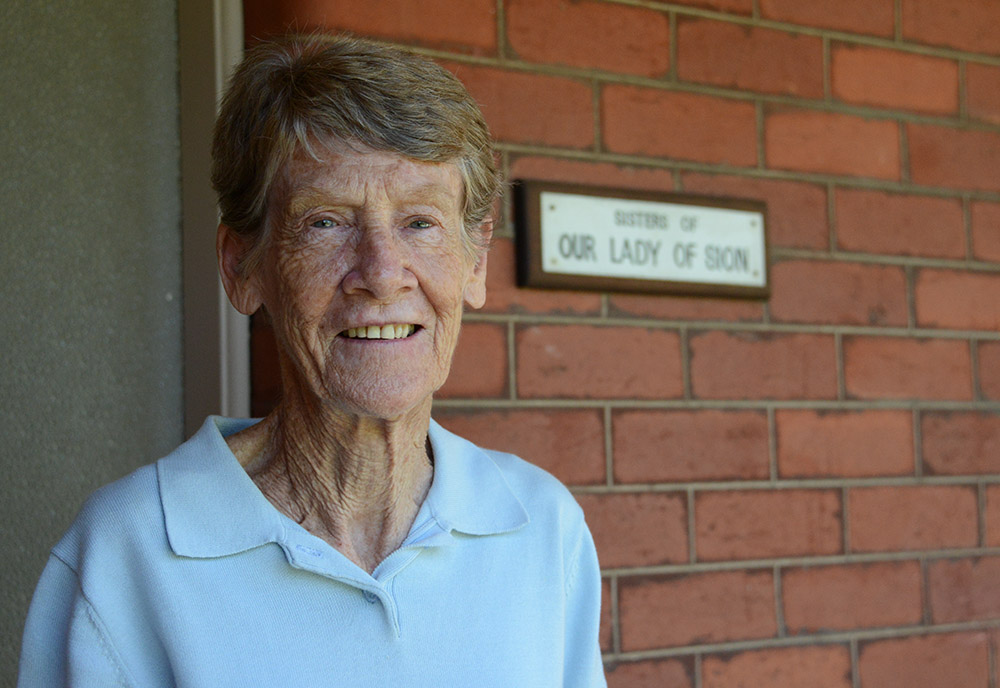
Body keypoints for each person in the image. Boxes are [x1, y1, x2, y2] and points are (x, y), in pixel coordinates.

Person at [17, 33, 606, 687]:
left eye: (419, 223)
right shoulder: (123, 557)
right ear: (242, 266)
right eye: (326, 222)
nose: (381, 274)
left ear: (476, 260)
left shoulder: (541, 527)